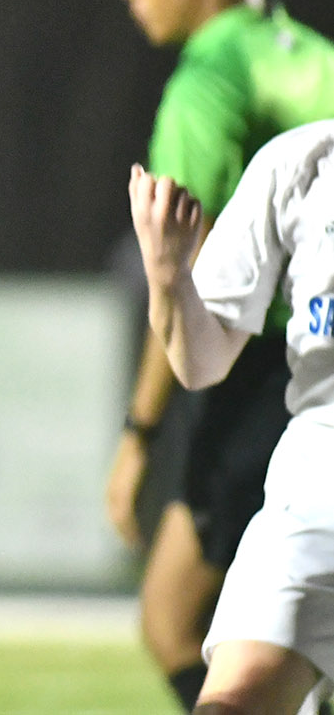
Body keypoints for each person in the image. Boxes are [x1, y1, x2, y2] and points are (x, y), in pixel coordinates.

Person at [106, 0, 334, 710]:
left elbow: (192, 282)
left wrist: (139, 433)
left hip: (262, 379)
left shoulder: (206, 81)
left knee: (169, 621)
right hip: (300, 399)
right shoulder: (313, 60)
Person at [129, 148, 334, 714]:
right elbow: (202, 362)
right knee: (232, 703)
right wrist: (169, 276)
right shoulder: (298, 166)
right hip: (317, 497)